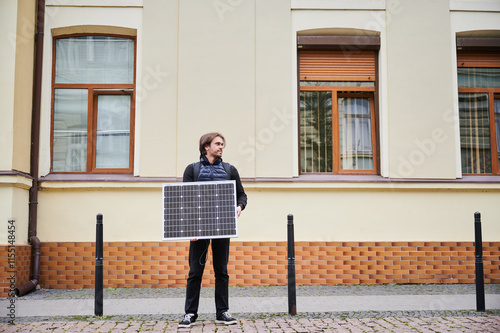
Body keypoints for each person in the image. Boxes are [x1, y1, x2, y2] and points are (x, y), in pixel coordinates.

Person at [178, 132, 247, 328]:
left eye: (222, 144)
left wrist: (239, 206)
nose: (221, 147)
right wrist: (190, 228)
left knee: (221, 271)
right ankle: (190, 314)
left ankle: (222, 312)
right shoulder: (192, 170)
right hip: (198, 230)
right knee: (195, 272)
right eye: (217, 143)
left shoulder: (229, 170)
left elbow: (242, 195)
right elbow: (186, 201)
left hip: (223, 227)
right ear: (206, 146)